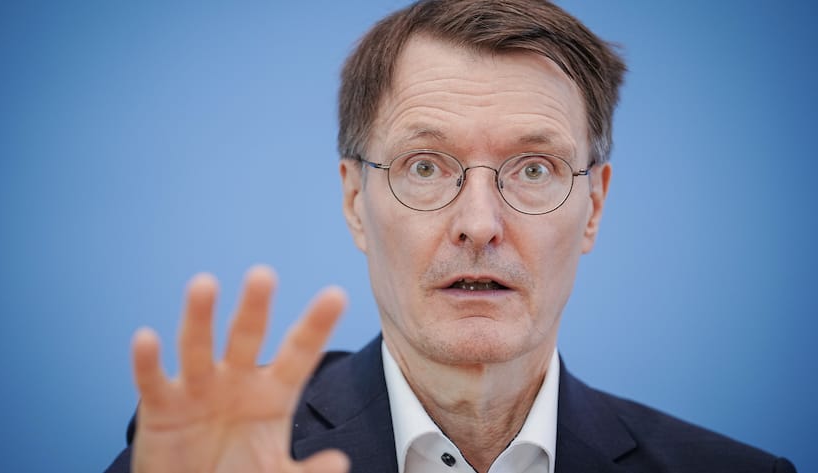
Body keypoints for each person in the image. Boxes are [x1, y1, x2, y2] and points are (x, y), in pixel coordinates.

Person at [105, 1, 797, 472]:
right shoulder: (218, 450)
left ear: (593, 207)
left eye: (534, 168)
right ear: (354, 199)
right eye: (426, 166)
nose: (478, 223)